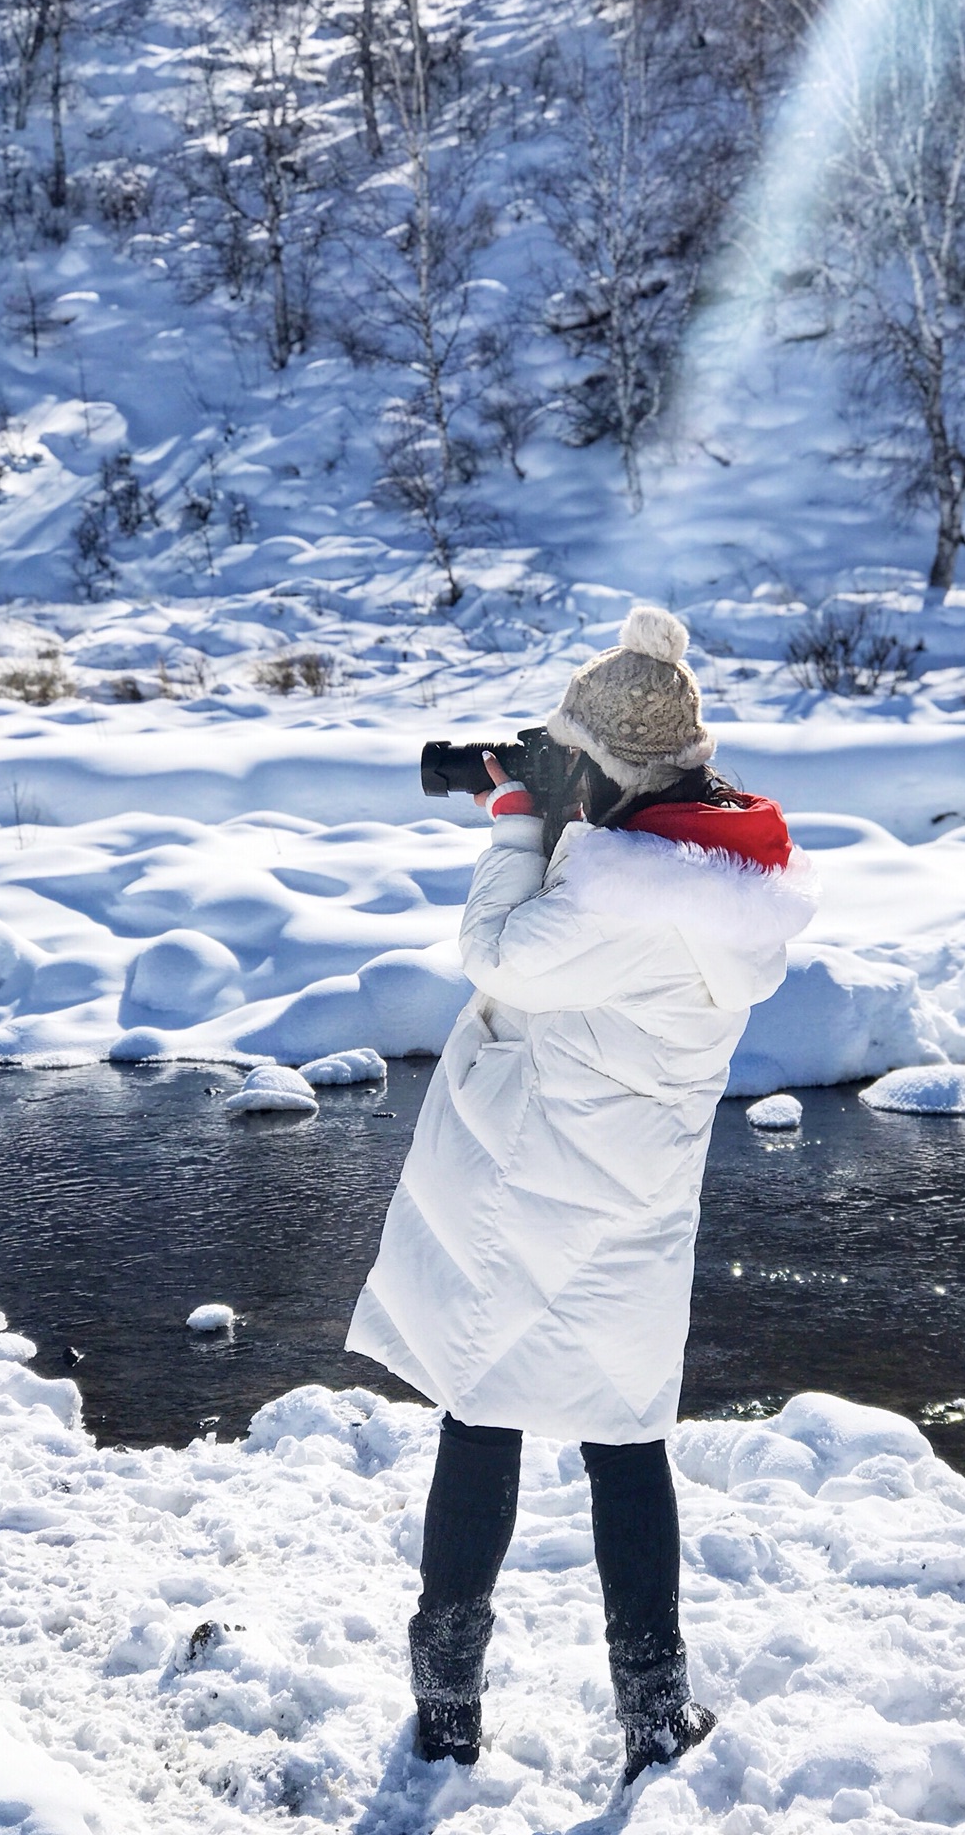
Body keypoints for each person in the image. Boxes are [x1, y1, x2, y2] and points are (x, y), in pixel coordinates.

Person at [346, 604, 816, 1785]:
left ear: (607, 773)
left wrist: (518, 819)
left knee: (482, 1415)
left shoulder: (616, 897)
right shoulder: (712, 872)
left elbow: (499, 953)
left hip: (532, 1192)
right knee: (624, 1440)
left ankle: (447, 1708)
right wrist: (573, 803)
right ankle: (654, 1717)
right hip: (638, 1205)